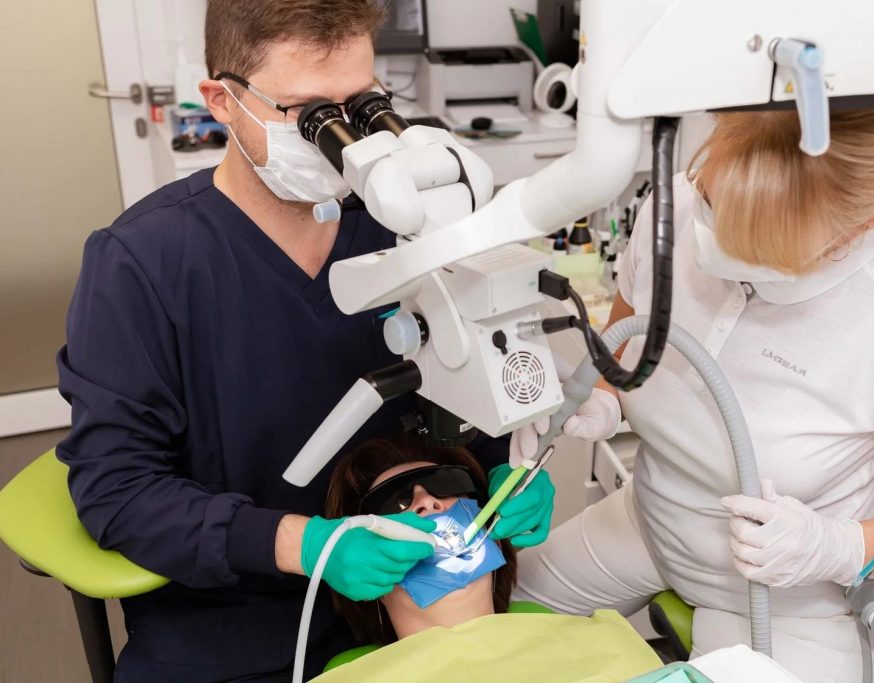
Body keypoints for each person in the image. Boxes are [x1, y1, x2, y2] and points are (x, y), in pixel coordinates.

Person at [55, 2, 552, 680]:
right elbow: (117, 490)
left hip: (412, 585)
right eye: (309, 115)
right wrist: (306, 544)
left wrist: (507, 466)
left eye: (361, 104)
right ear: (223, 102)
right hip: (240, 614)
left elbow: (468, 384)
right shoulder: (143, 264)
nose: (342, 139)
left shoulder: (408, 224)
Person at [510, 109, 874, 683]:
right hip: (649, 523)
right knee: (485, 620)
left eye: (758, 247)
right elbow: (624, 343)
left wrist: (837, 547)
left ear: (859, 227)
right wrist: (600, 396)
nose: (712, 247)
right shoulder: (674, 211)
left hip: (797, 602)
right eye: (713, 206)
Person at [315, 435, 663, 682]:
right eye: (396, 503)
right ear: (362, 571)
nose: (428, 502)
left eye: (446, 485)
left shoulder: (601, 641)